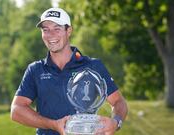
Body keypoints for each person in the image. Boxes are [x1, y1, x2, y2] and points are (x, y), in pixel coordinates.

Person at [10, 7, 128, 135]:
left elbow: (118, 101)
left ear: (69, 31)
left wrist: (116, 122)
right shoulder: (35, 70)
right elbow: (16, 110)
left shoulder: (93, 66)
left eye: (57, 29)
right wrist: (53, 125)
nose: (51, 35)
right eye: (46, 30)